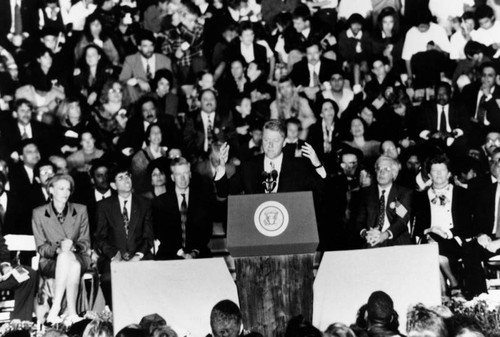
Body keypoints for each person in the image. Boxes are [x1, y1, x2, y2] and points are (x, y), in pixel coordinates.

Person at [32, 174, 91, 324]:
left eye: (68, 189)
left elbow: (85, 242)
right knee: (68, 260)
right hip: (51, 262)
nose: (66, 193)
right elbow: (41, 247)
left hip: (79, 256)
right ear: (51, 190)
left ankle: (55, 308)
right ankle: (72, 313)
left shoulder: (81, 210)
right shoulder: (39, 213)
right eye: (61, 188)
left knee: (69, 258)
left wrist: (74, 246)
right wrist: (57, 250)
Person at [95, 165, 154, 307]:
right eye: (120, 178)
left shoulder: (145, 204)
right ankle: (116, 314)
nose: (126, 180)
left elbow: (148, 236)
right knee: (109, 278)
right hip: (113, 257)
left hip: (140, 256)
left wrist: (138, 256)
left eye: (127, 176)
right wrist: (115, 256)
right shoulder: (104, 206)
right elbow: (100, 238)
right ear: (113, 185)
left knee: (151, 275)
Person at [413, 154, 470, 298]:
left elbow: (467, 224)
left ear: (449, 173)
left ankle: (444, 291)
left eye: (442, 170)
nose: (438, 173)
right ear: (429, 174)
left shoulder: (462, 194)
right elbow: (417, 228)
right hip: (430, 237)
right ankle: (453, 283)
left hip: (454, 238)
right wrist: (430, 230)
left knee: (434, 250)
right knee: (433, 247)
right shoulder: (420, 197)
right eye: (434, 170)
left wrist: (448, 233)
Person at [152, 157, 215, 260]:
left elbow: (206, 231)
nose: (182, 178)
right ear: (172, 177)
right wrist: (182, 253)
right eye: (178, 174)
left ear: (190, 174)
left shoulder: (202, 200)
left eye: (185, 173)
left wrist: (194, 252)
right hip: (170, 254)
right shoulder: (160, 202)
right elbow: (161, 233)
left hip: (198, 253)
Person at [355, 155, 412, 248]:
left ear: (394, 173)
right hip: (371, 240)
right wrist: (366, 234)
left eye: (387, 169)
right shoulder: (366, 193)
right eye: (379, 169)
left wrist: (384, 235)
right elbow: (359, 221)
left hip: (396, 241)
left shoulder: (403, 193)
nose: (382, 172)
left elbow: (402, 220)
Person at [119, 30, 173, 101]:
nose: (149, 49)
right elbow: (122, 81)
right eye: (145, 46)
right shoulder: (130, 60)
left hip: (162, 98)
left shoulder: (165, 60)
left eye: (151, 45)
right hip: (139, 99)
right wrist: (137, 80)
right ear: (139, 47)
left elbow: (172, 83)